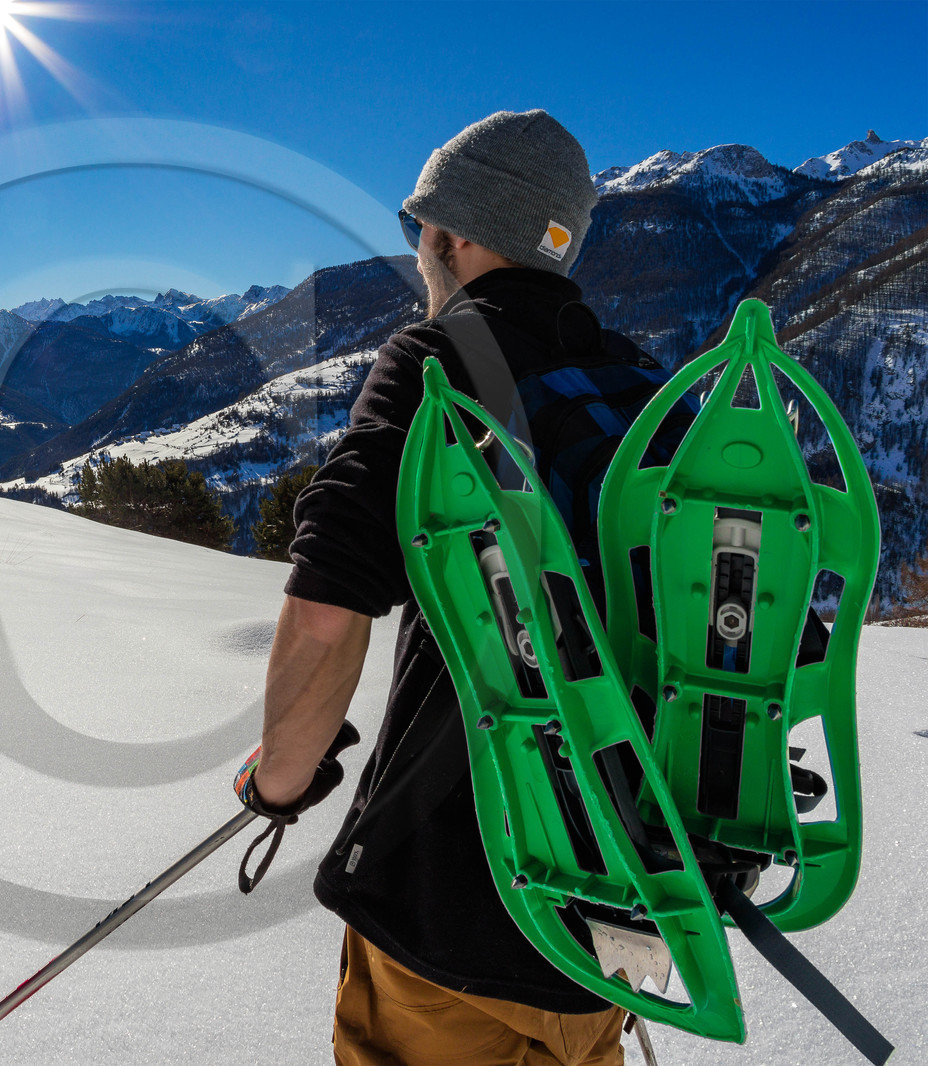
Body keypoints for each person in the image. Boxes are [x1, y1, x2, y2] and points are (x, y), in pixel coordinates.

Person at [235, 110, 698, 1065]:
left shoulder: (437, 364)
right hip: (618, 914)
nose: (418, 257)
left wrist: (279, 784)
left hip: (455, 917)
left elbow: (328, 612)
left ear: (453, 235)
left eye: (421, 233)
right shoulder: (644, 387)